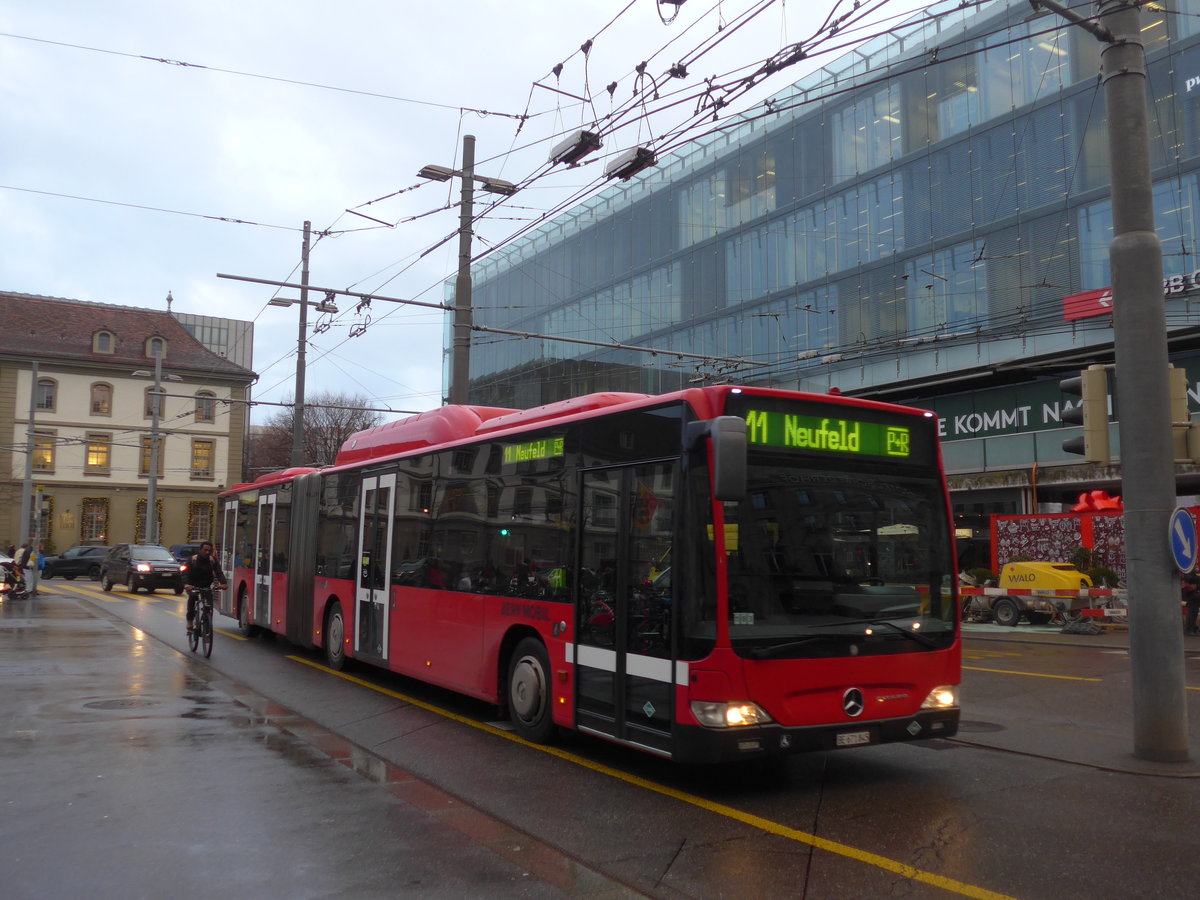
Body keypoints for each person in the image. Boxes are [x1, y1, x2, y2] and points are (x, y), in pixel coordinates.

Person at [184, 541, 227, 636]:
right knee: (192, 600)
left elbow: (219, 572)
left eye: (209, 551)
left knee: (209, 608)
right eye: (205, 550)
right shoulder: (192, 560)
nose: (207, 552)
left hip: (206, 585)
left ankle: (207, 630)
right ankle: (190, 621)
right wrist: (186, 584)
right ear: (200, 550)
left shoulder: (212, 560)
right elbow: (185, 573)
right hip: (193, 585)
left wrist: (223, 583)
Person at [1183, 570, 1200, 636]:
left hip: (1194, 594)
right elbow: (1189, 579)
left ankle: (1192, 628)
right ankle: (1190, 629)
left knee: (1193, 612)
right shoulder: (1188, 570)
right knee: (1192, 612)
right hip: (1192, 595)